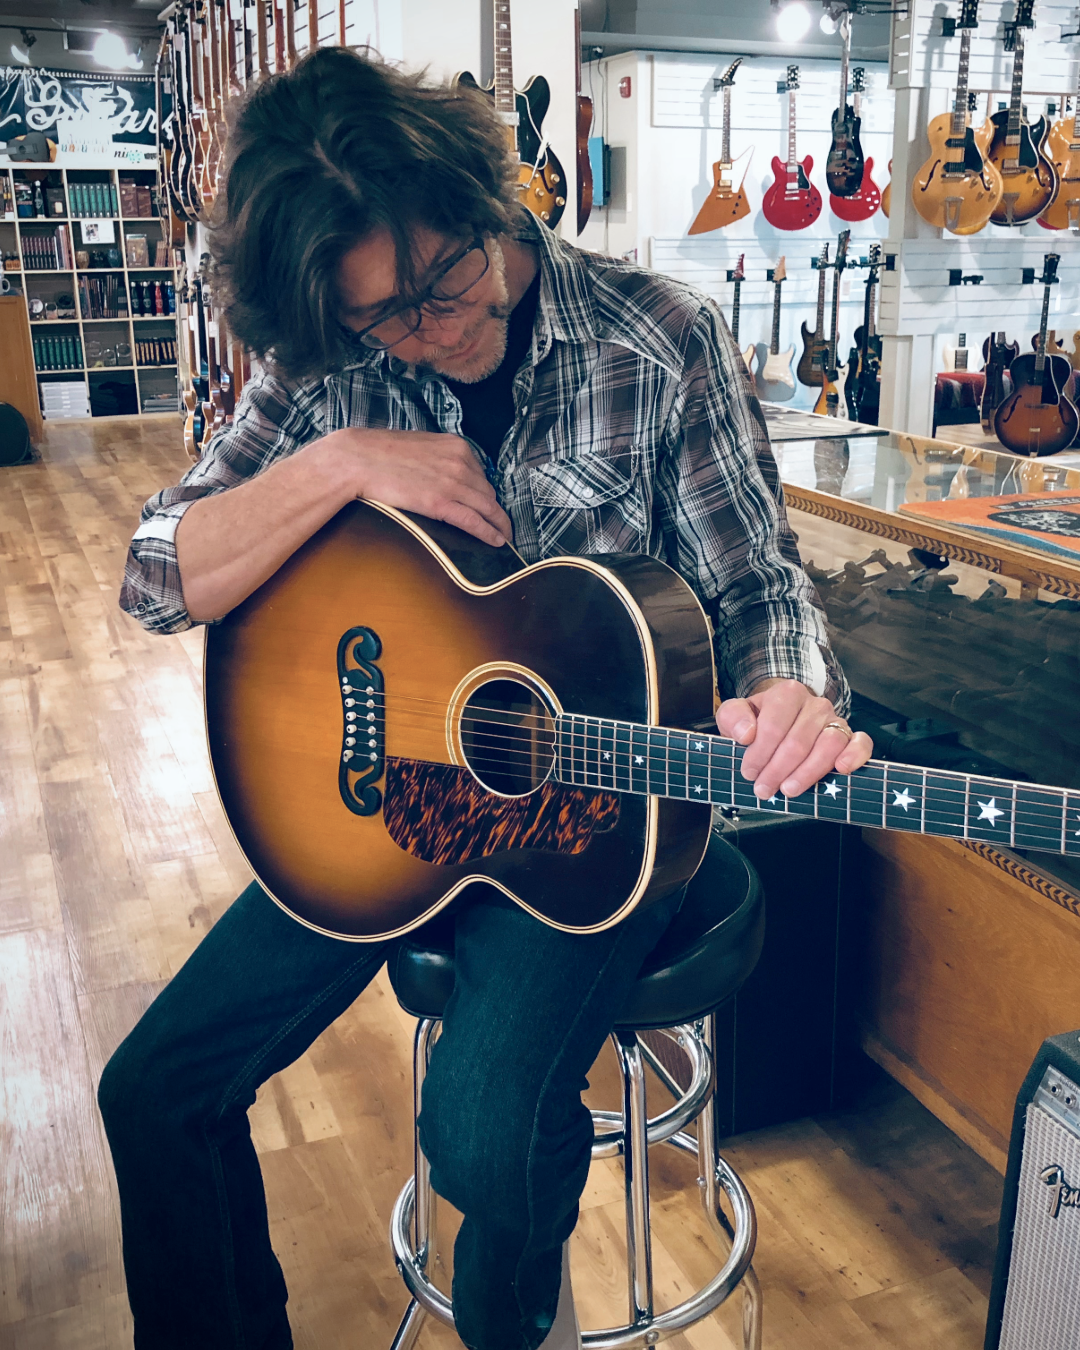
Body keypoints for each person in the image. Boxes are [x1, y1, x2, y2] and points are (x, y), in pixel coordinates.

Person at [98, 46, 872, 1350]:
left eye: (449, 280)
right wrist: (340, 461)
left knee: (479, 1125)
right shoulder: (330, 362)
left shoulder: (660, 337)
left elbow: (756, 585)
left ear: (484, 197)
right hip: (379, 807)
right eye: (390, 320)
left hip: (593, 832)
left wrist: (786, 685)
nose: (438, 332)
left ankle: (509, 1325)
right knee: (152, 1090)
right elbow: (156, 576)